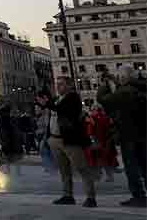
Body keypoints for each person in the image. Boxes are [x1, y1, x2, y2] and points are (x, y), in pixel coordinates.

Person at [42, 76, 97, 207]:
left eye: (61, 84)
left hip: (69, 140)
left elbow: (63, 109)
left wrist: (48, 104)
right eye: (57, 84)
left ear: (69, 86)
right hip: (55, 139)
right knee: (63, 170)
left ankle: (90, 197)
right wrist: (48, 137)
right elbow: (52, 116)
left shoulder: (73, 97)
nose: (58, 87)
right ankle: (68, 195)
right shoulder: (57, 99)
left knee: (82, 168)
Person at [98, 65, 147, 207]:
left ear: (123, 77)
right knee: (144, 164)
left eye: (119, 76)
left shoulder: (124, 92)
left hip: (128, 134)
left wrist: (104, 85)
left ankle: (138, 196)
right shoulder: (140, 87)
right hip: (143, 133)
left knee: (131, 167)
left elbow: (103, 99)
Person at [84, 103, 118, 182]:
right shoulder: (105, 117)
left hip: (98, 141)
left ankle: (98, 176)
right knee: (105, 160)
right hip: (106, 141)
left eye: (93, 110)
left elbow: (90, 131)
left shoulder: (93, 118)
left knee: (97, 159)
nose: (91, 111)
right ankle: (108, 176)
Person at [35, 98, 55, 173]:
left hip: (44, 136)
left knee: (45, 152)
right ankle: (48, 167)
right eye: (35, 108)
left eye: (37, 108)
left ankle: (50, 168)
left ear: (41, 109)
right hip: (41, 136)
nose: (35, 110)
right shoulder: (39, 116)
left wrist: (44, 138)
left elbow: (47, 127)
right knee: (44, 152)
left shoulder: (45, 115)